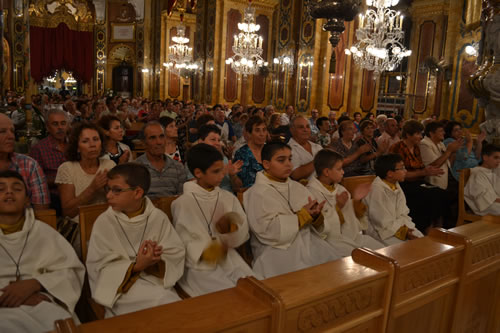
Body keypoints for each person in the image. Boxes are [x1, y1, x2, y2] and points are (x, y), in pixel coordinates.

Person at [86, 163, 185, 317]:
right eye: (108, 189)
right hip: (121, 290)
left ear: (138, 192)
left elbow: (176, 252)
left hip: (155, 282)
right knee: (163, 303)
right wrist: (136, 266)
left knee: (170, 304)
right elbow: (98, 265)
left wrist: (157, 259)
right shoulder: (104, 222)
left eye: (116, 190)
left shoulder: (157, 217)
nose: (108, 195)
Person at [0, 171, 85, 332]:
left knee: (60, 323)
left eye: (17, 189)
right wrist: (11, 295)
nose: (9, 192)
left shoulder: (43, 232)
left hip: (41, 301)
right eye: (1, 189)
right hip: (3, 308)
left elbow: (71, 271)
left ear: (27, 200)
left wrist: (37, 283)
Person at [243, 142, 340, 279]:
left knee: (337, 272)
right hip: (276, 251)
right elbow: (268, 231)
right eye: (281, 160)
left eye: (290, 159)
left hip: (309, 243)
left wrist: (317, 218)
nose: (288, 164)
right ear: (266, 164)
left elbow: (320, 228)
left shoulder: (298, 187)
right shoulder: (256, 193)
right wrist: (301, 216)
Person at [172, 144, 254, 296]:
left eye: (222, 170)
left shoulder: (227, 197)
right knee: (228, 295)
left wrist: (231, 227)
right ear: (198, 173)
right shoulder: (182, 203)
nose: (222, 175)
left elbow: (243, 229)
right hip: (200, 266)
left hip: (228, 257)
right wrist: (218, 246)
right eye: (216, 171)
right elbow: (188, 242)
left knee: (253, 286)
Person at [307, 150, 384, 256]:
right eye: (339, 169)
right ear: (326, 172)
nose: (343, 172)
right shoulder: (311, 192)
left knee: (383, 251)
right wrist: (338, 207)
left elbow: (353, 219)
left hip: (352, 237)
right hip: (331, 241)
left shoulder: (341, 189)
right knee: (357, 259)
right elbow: (319, 229)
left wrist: (357, 201)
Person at [389, 120, 449, 233]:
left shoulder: (416, 148)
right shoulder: (397, 148)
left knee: (441, 193)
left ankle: (438, 228)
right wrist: (423, 173)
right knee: (429, 196)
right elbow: (400, 174)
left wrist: (428, 172)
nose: (421, 137)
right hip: (402, 184)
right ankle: (426, 228)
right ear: (408, 135)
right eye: (418, 134)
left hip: (417, 182)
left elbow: (421, 168)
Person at [363, 154, 424, 245]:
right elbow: (381, 221)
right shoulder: (376, 190)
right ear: (390, 173)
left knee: (422, 241)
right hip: (381, 231)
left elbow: (403, 212)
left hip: (399, 226)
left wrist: (408, 229)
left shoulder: (395, 185)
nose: (405, 171)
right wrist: (404, 232)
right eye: (402, 168)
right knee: (403, 249)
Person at [0, 114, 50, 210]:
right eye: (2, 132)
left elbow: (42, 211)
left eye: (12, 131)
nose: (11, 136)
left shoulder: (29, 165)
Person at [30, 109, 68, 214]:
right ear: (47, 127)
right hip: (54, 196)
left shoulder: (75, 144)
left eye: (63, 123)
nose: (60, 127)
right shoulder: (39, 149)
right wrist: (61, 180)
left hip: (77, 192)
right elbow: (35, 182)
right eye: (55, 124)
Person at [135, 121, 187, 198]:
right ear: (144, 143)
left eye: (162, 136)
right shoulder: (135, 169)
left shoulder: (178, 168)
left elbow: (181, 200)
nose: (159, 142)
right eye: (152, 138)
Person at [186, 125, 243, 193]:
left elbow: (238, 188)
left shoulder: (223, 159)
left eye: (218, 140)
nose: (217, 143)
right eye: (213, 140)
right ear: (201, 141)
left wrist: (232, 175)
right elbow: (196, 191)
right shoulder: (193, 160)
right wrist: (223, 172)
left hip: (228, 198)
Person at [464, 144, 500, 216]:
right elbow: (482, 197)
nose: (499, 161)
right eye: (496, 158)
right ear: (485, 158)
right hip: (485, 206)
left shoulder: (493, 171)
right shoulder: (477, 173)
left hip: (495, 203)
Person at [233, 116, 267, 189]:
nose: (262, 134)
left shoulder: (271, 150)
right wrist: (232, 175)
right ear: (249, 133)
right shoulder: (241, 154)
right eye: (257, 130)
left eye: (264, 130)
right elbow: (238, 187)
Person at [288, 116, 323, 181]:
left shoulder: (317, 146)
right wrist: (319, 160)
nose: (305, 130)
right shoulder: (289, 149)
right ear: (292, 130)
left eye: (307, 126)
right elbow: (296, 175)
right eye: (301, 127)